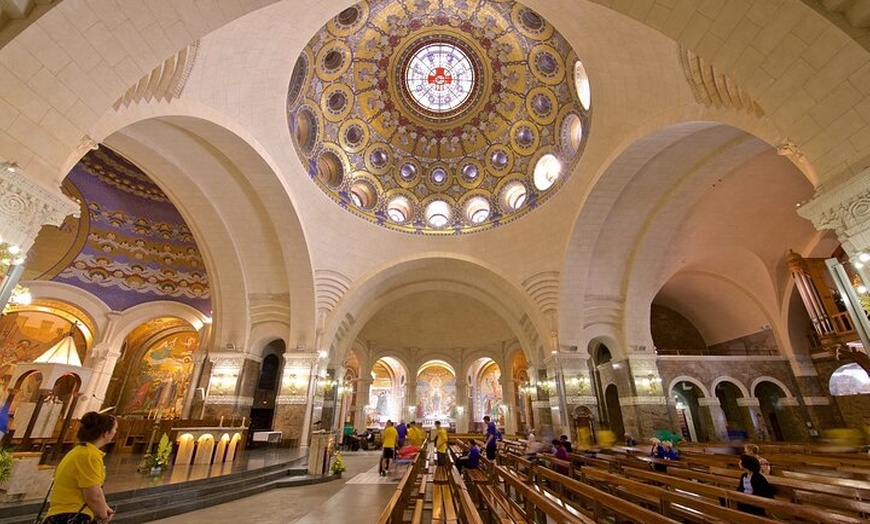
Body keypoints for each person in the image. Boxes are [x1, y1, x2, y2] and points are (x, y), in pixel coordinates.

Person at [44, 411, 117, 524]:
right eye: (114, 429)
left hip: (64, 512)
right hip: (71, 515)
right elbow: (93, 496)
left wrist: (105, 507)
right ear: (105, 433)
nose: (115, 432)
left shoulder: (81, 451)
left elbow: (96, 488)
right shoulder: (89, 456)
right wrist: (104, 515)